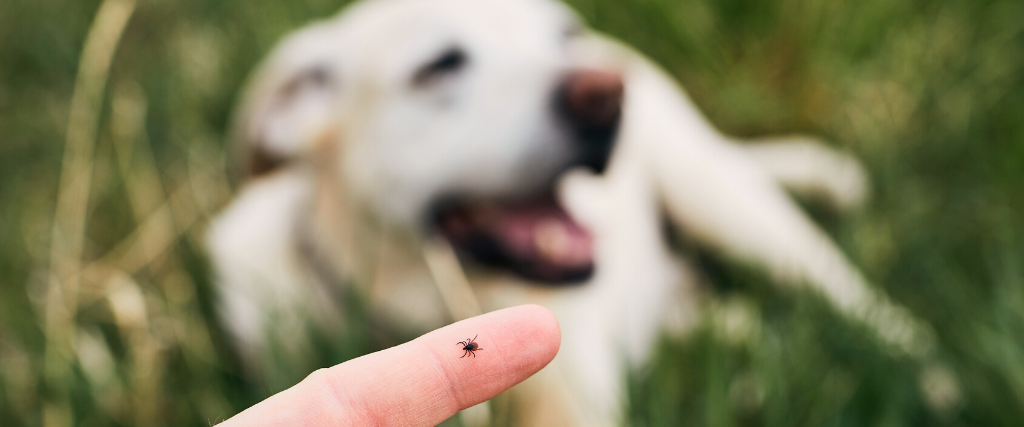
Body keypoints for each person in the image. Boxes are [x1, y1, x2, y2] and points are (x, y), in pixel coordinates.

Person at [219, 305, 561, 426]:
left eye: (470, 347)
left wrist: (468, 348)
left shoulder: (470, 347)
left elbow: (469, 347)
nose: (469, 347)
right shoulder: (470, 347)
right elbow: (469, 346)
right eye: (470, 347)